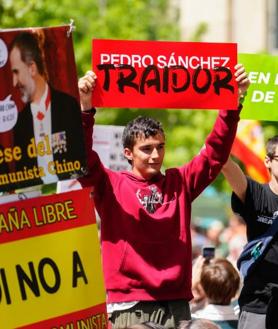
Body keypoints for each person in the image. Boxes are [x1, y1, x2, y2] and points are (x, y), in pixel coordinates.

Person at [78, 65, 250, 329]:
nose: (155, 155)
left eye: (160, 147)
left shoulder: (179, 182)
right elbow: (82, 163)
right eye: (146, 149)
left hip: (176, 303)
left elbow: (215, 154)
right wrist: (85, 110)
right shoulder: (111, 184)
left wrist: (232, 102)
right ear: (127, 153)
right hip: (130, 305)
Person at [7, 31, 86, 189]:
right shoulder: (19, 123)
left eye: (16, 72)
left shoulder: (69, 106)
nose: (14, 82)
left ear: (32, 68)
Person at [222, 148, 278, 329]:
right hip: (259, 303)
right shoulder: (258, 194)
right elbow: (228, 167)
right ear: (268, 161)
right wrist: (219, 148)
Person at [192, 257, 240, 329]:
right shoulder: (244, 323)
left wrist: (192, 284)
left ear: (203, 288)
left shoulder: (191, 323)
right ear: (235, 289)